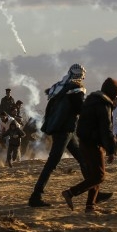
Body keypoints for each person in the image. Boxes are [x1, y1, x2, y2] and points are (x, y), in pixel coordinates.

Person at [28, 63, 88, 207]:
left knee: (83, 159)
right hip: (65, 130)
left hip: (63, 130)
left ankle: (94, 190)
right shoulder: (76, 90)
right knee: (52, 163)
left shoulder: (59, 88)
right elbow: (80, 109)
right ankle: (35, 196)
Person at [61, 77, 117, 214]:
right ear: (112, 92)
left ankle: (90, 206)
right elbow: (105, 129)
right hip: (93, 144)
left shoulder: (91, 100)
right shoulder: (103, 104)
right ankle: (70, 193)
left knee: (93, 175)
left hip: (84, 142)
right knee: (99, 176)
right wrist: (111, 150)